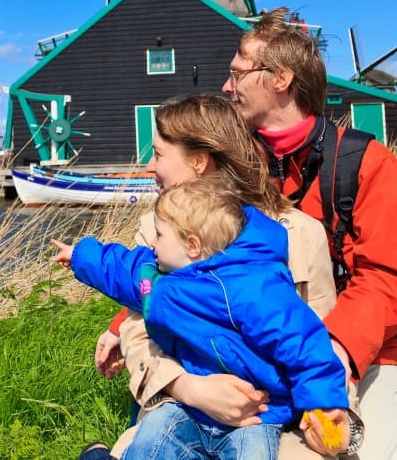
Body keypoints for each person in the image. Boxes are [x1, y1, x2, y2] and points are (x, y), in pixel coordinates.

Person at [213, 7, 397, 459]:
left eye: (238, 73)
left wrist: (334, 354)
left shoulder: (368, 165)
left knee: (371, 453)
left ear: (280, 79)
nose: (226, 87)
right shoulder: (232, 168)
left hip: (359, 349)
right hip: (267, 349)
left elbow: (391, 278)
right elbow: (186, 252)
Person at [88, 94, 348, 458]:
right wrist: (188, 388)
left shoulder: (301, 234)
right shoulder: (156, 234)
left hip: (272, 419)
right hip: (176, 408)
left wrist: (331, 420)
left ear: (199, 161)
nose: (149, 166)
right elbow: (139, 331)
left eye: (159, 154)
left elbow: (323, 341)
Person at [53, 176, 351, 460]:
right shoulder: (159, 276)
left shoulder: (253, 289)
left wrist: (323, 405)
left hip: (257, 412)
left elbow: (304, 345)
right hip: (189, 406)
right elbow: (120, 268)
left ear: (193, 245)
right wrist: (80, 254)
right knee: (151, 440)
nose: (152, 244)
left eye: (159, 234)